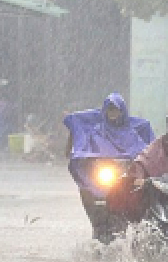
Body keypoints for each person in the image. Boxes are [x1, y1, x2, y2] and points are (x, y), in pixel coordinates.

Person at [62, 92, 154, 242]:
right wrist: (76, 153)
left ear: (122, 111)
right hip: (102, 175)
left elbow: (146, 152)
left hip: (126, 177)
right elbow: (78, 130)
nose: (113, 113)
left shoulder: (132, 132)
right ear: (104, 111)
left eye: (116, 109)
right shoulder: (96, 131)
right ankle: (97, 225)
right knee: (87, 192)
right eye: (110, 109)